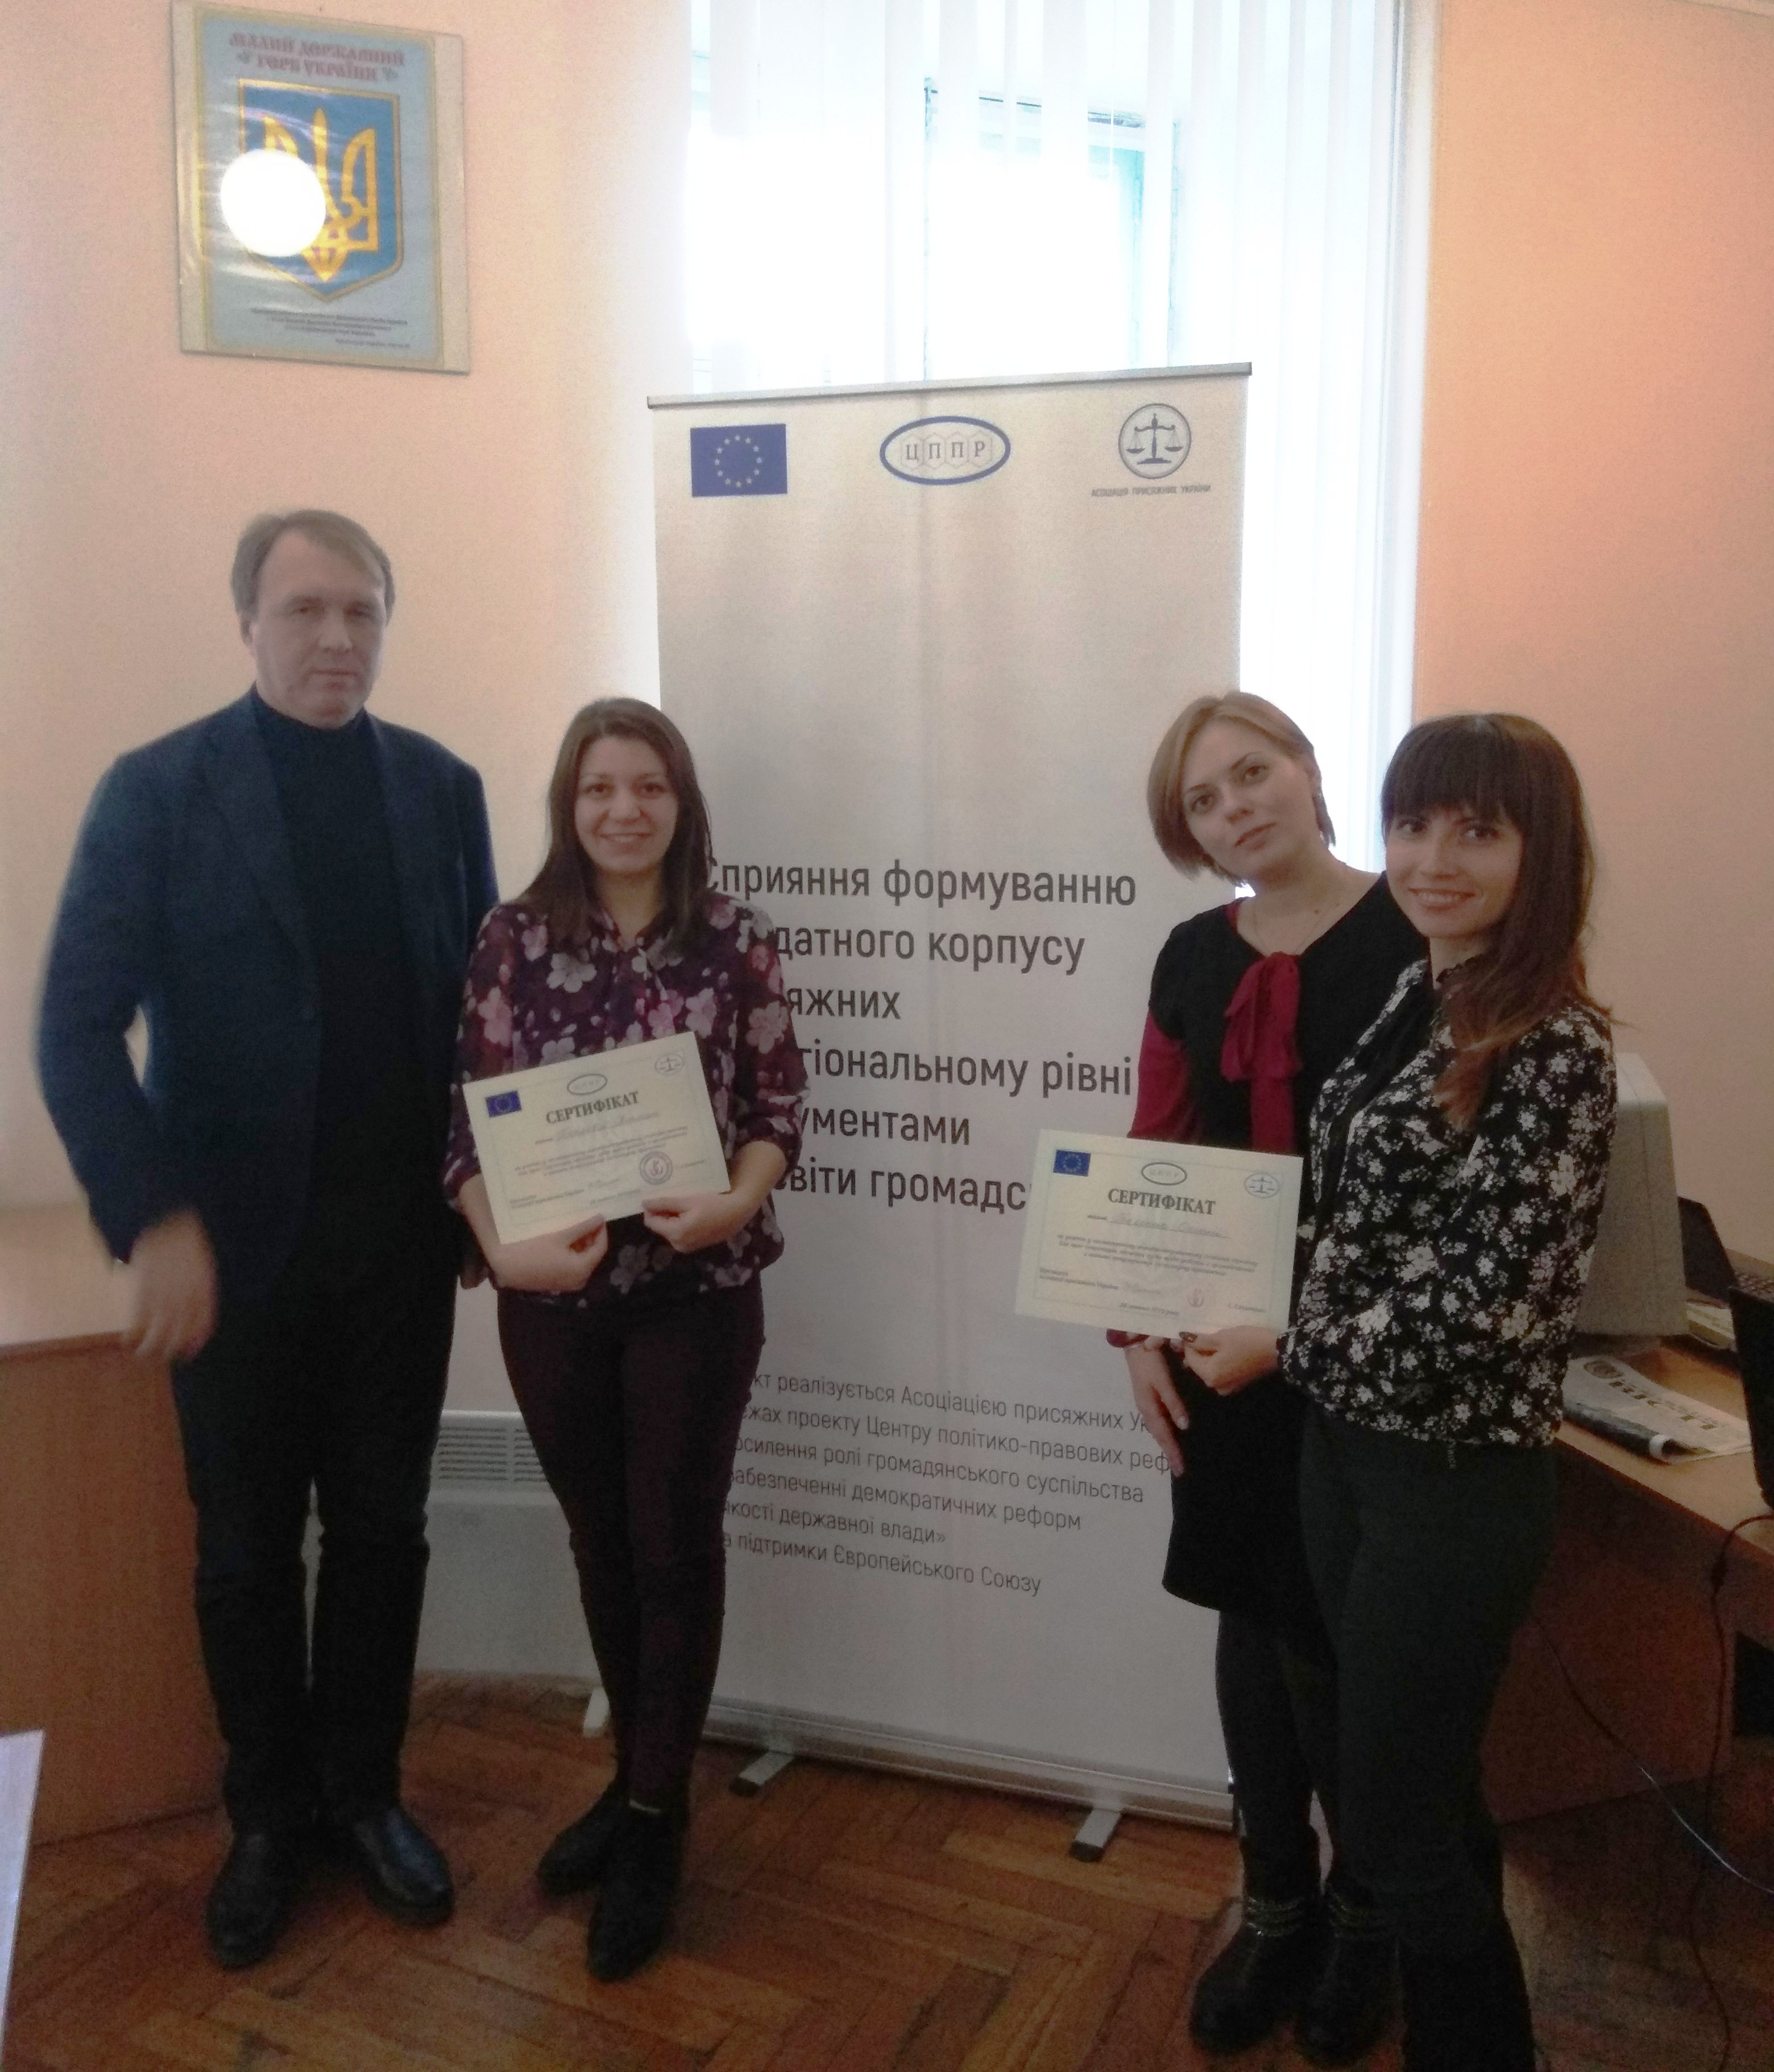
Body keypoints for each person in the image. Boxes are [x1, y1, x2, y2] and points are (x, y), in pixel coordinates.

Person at [36, 512, 498, 1967]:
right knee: (243, 1550)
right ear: (248, 620)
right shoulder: (158, 789)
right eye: (306, 609)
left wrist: (490, 1195)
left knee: (383, 1533)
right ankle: (267, 1815)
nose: (337, 638)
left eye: (363, 610)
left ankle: (365, 1793)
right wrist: (154, 1216)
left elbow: (482, 1025)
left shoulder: (443, 790)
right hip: (231, 1260)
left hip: (399, 1249)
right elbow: (74, 1024)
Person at [1186, 712, 1616, 2070]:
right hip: (1345, 1459)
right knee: (1414, 1797)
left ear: (1540, 852)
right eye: (1415, 823)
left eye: (1477, 830)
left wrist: (1283, 1345)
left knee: (1395, 1825)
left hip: (1452, 1481)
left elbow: (1476, 1307)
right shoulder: (1424, 995)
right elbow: (1344, 1227)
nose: (1433, 857)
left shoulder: (1555, 1043)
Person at [445, 697, 804, 1982]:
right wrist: (501, 1249)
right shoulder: (513, 938)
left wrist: (738, 1201)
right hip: (553, 1300)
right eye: (600, 787)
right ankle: (633, 1779)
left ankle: (656, 1814)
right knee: (601, 1538)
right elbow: (468, 1120)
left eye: (648, 785)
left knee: (673, 1540)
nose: (623, 809)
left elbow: (777, 1108)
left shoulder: (736, 937)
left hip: (695, 1291)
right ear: (570, 802)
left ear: (680, 800)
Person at [1114, 692, 1421, 2062]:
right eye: (1204, 799)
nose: (1235, 806)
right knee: (1249, 1621)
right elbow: (1156, 1146)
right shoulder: (1192, 954)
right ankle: (1278, 1903)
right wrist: (1136, 1333)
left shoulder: (1420, 929)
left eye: (1252, 772)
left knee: (1347, 1639)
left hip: (1369, 1351)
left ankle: (1369, 1915)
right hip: (1219, 1346)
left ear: (1307, 766)